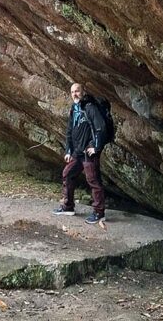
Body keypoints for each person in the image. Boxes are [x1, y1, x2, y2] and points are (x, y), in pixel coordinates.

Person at [52, 81, 106, 224]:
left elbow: (100, 127)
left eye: (77, 91)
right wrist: (68, 151)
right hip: (77, 152)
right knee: (68, 173)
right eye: (72, 92)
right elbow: (70, 131)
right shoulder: (74, 109)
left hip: (89, 152)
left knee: (93, 180)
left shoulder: (90, 107)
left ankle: (99, 213)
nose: (75, 94)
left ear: (83, 92)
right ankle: (68, 207)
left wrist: (96, 147)